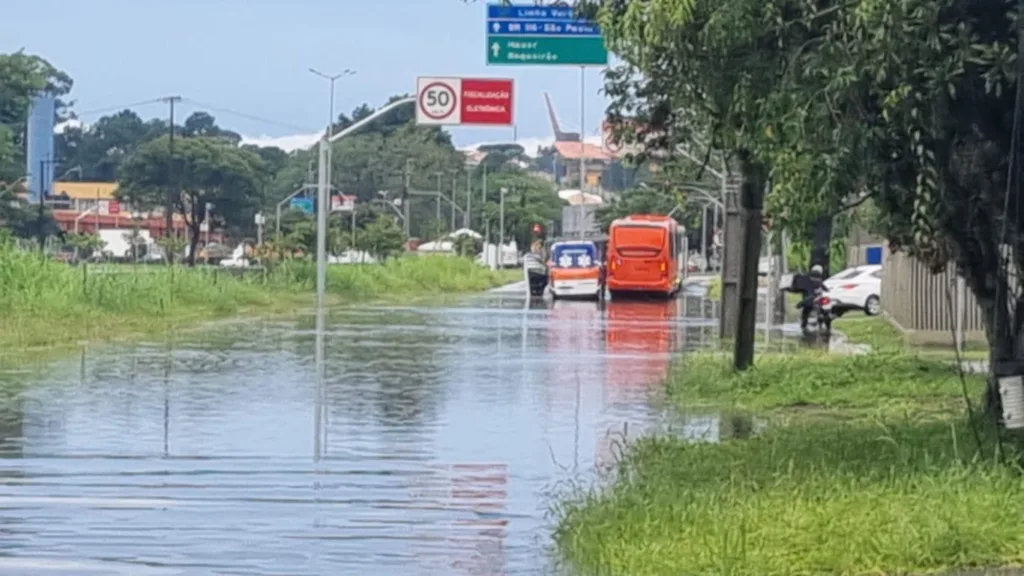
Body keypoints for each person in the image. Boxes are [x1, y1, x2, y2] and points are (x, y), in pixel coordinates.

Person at [794, 264, 829, 330]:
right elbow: (825, 290)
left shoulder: (806, 279)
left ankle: (804, 325)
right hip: (817, 301)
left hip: (808, 302)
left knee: (805, 314)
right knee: (824, 311)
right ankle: (825, 325)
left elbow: (800, 287)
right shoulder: (820, 281)